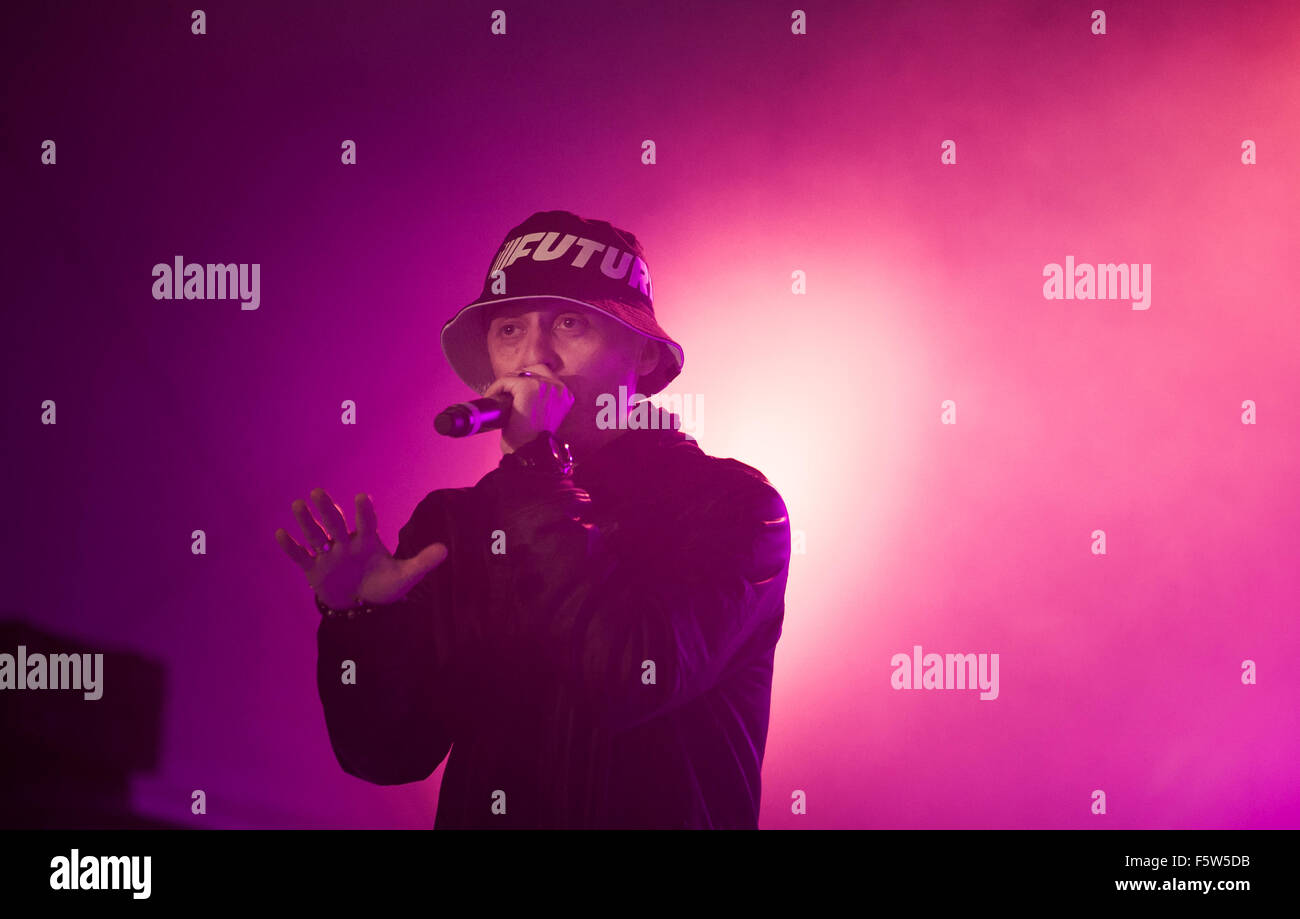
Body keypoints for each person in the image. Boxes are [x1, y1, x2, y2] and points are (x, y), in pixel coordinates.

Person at [274, 210, 791, 828]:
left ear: (644, 356)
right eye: (510, 329)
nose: (534, 356)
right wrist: (358, 622)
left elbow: (631, 677)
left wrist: (535, 471)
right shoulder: (456, 523)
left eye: (570, 323)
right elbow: (387, 755)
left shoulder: (735, 508)